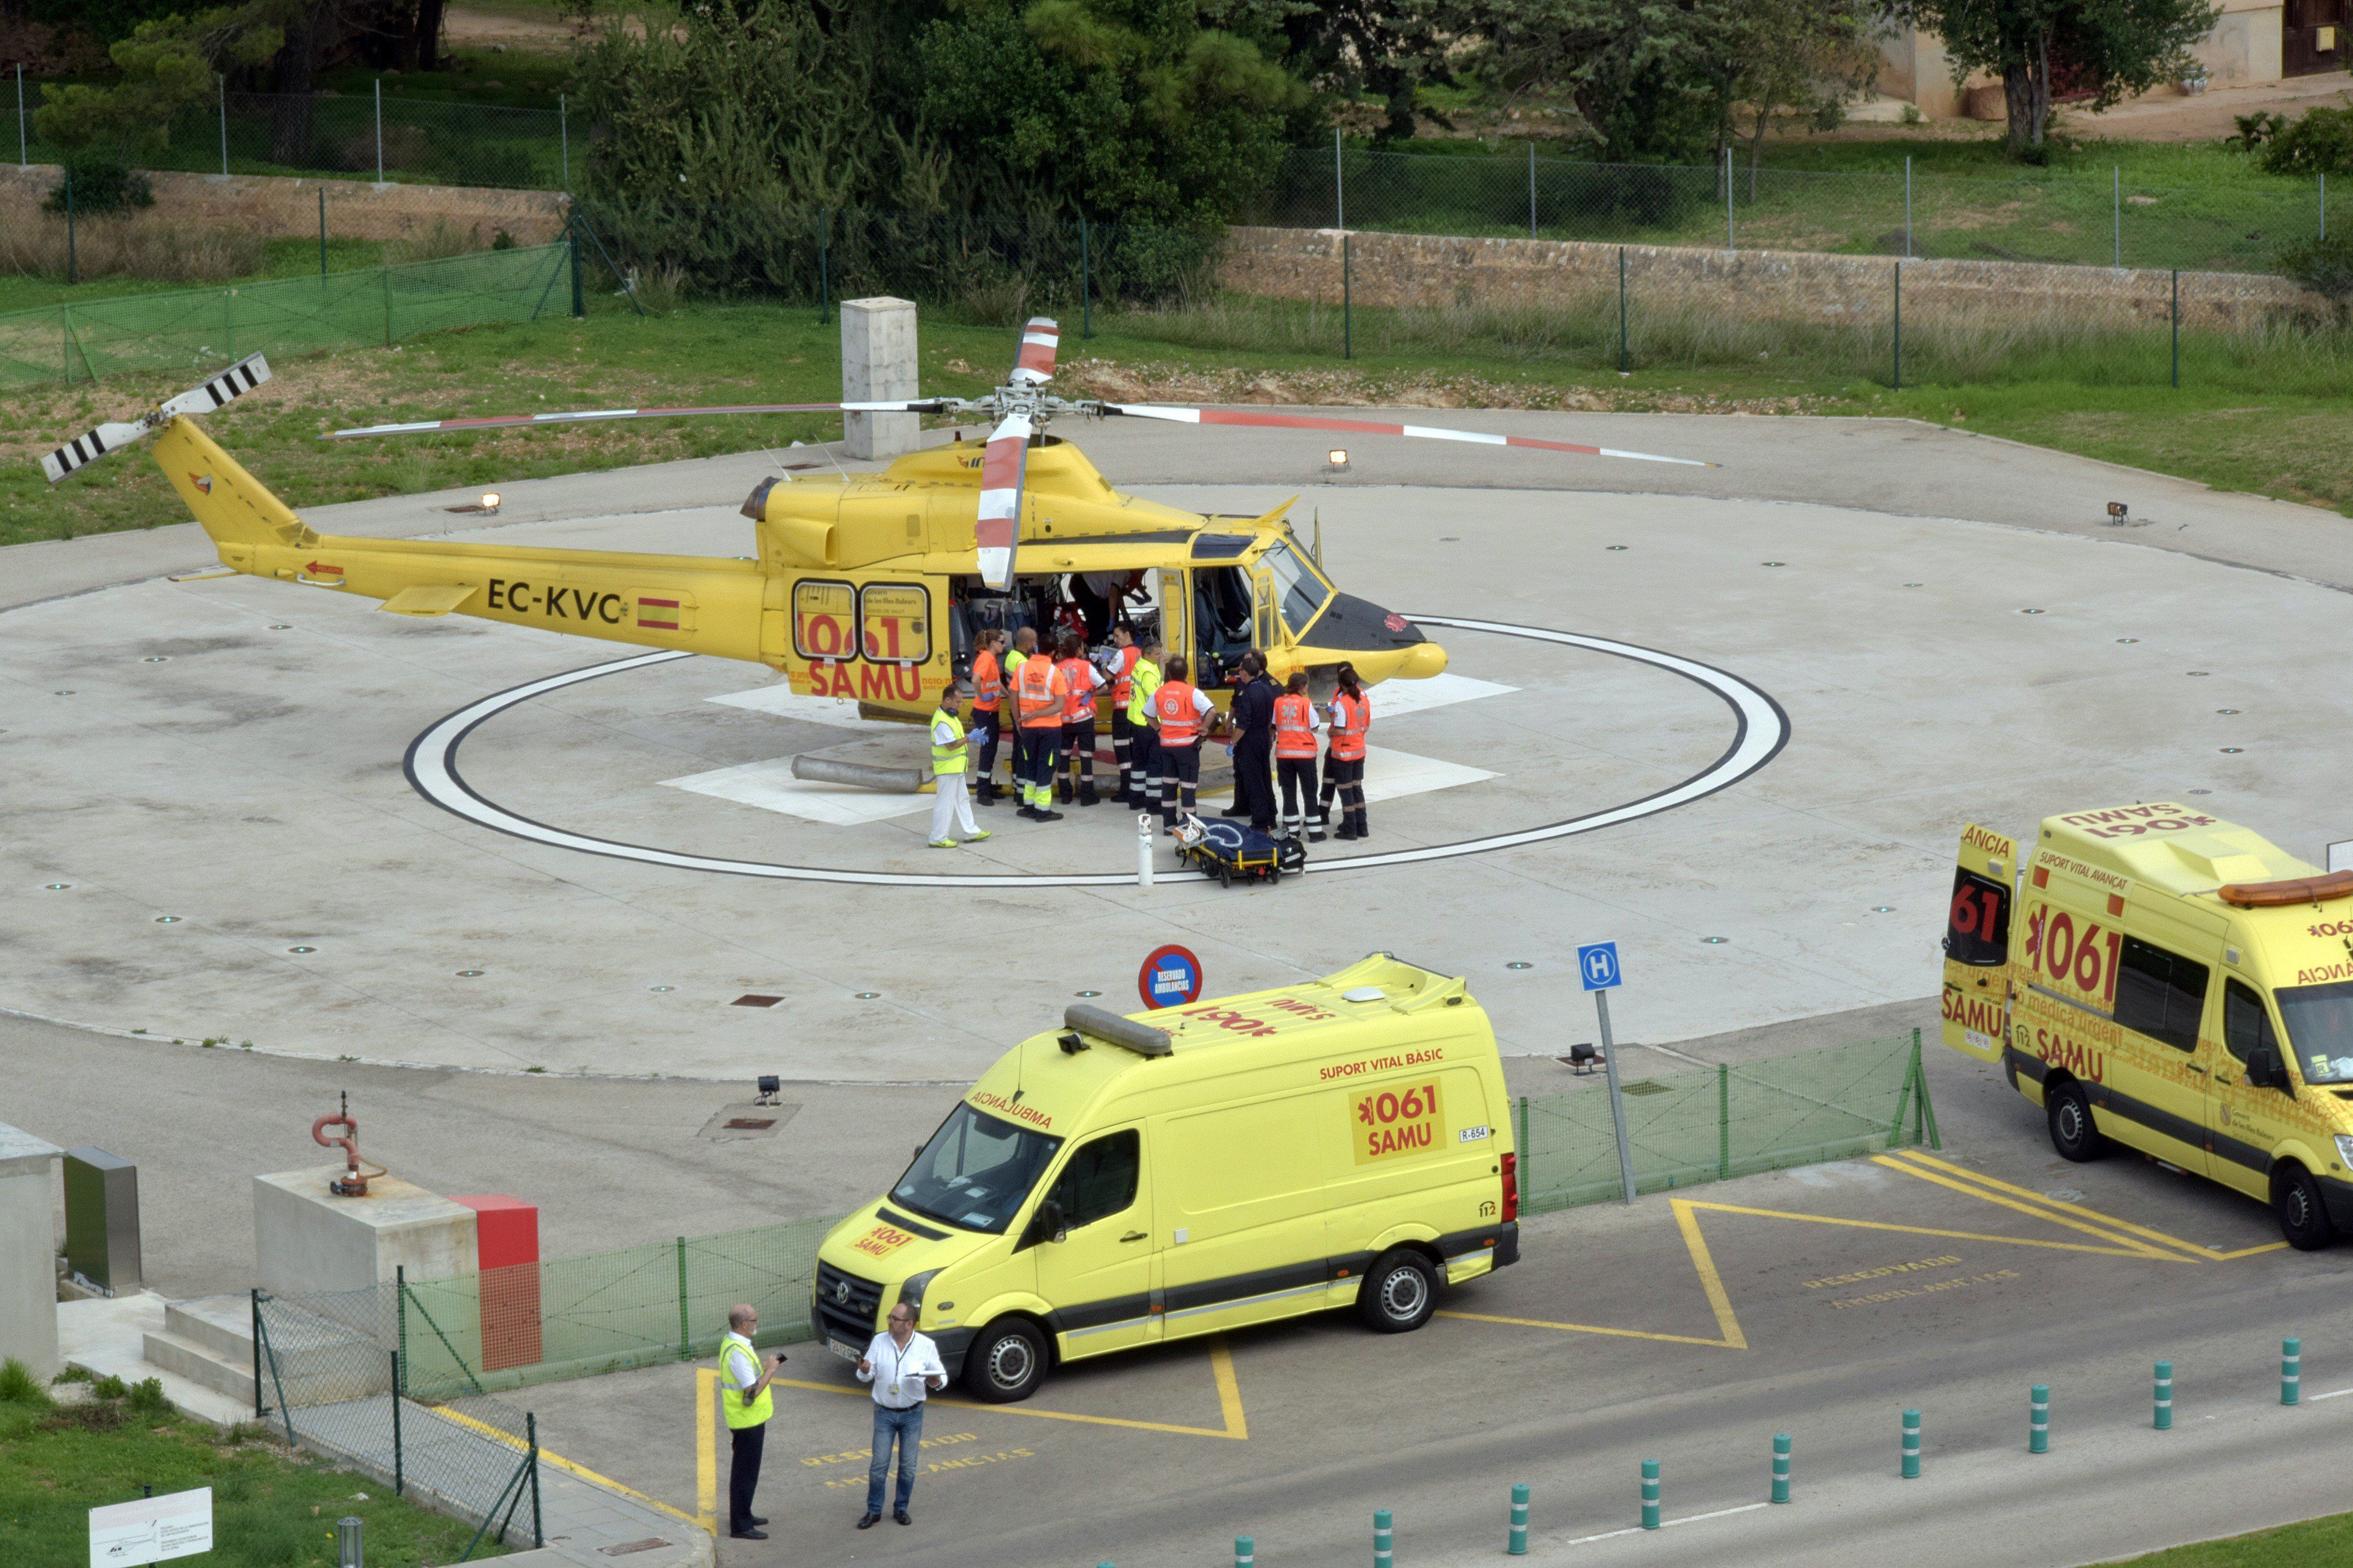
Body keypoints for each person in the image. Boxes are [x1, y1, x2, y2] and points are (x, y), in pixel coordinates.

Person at [855, 1302, 948, 1529]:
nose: (889, 1321)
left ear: (909, 1324)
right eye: (890, 1317)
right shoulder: (879, 1341)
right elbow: (865, 1375)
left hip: (912, 1414)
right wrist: (865, 1371)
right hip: (884, 1413)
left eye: (894, 1319)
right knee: (879, 1465)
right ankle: (874, 1510)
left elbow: (941, 1376)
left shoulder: (926, 1346)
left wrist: (936, 1382)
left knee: (907, 1465)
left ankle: (901, 1508)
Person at [717, 1304, 784, 1542]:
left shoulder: (736, 1344)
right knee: (745, 1474)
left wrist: (763, 1368)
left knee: (746, 1472)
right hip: (747, 1421)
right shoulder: (737, 1352)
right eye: (755, 1320)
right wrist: (772, 1371)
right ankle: (741, 1525)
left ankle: (744, 1513)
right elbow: (751, 1391)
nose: (757, 1323)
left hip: (749, 1420)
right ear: (744, 1324)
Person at [1152, 654, 1217, 833]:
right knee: (1188, 787)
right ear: (1187, 674)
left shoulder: (1160, 692)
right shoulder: (1193, 693)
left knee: (1169, 784)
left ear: (1170, 674)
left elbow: (1147, 714)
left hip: (1167, 746)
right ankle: (1189, 825)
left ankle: (1168, 824)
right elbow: (1212, 711)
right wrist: (1204, 728)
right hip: (1188, 747)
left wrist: (1159, 730)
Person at [1012, 631, 1067, 821]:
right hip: (1050, 728)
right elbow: (1060, 705)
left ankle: (1029, 806)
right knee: (1046, 766)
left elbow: (1013, 696)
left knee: (1030, 764)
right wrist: (1038, 714)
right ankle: (1043, 811)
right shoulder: (1055, 673)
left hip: (1027, 726)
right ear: (1053, 653)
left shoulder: (1021, 668)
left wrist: (1019, 719)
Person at [927, 685, 990, 849]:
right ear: (947, 700)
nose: (960, 705)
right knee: (945, 804)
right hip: (948, 769)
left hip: (956, 768)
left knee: (962, 800)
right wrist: (970, 737)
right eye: (957, 702)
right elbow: (951, 745)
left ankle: (971, 831)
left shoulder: (950, 717)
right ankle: (938, 837)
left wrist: (971, 737)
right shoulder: (941, 721)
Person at [1223, 651, 1276, 833]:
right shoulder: (1266, 688)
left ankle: (1260, 822)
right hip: (1263, 738)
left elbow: (1243, 724)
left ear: (1245, 674)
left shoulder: (1247, 694)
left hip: (1250, 742)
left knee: (1254, 782)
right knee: (1264, 778)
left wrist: (1233, 743)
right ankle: (1271, 815)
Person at [1320, 662, 1372, 841]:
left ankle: (1349, 829)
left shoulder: (1343, 703)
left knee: (1345, 791)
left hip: (1343, 753)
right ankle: (1361, 826)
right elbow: (1365, 724)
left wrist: (1330, 731)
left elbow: (1341, 729)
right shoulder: (1364, 699)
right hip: (1359, 751)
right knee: (1357, 788)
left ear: (1341, 684)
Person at [1272, 669, 1323, 841]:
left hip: (1284, 755)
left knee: (1289, 793)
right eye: (1307, 685)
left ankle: (1292, 832)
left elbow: (1274, 724)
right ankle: (1315, 832)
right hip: (1305, 755)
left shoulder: (1279, 703)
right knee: (1310, 792)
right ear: (1302, 687)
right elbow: (1315, 726)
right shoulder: (1306, 704)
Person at [1054, 631, 1102, 807]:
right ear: (1079, 649)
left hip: (1063, 719)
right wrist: (1091, 693)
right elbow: (1102, 685)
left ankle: (1065, 794)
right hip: (1083, 717)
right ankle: (1087, 796)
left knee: (1064, 757)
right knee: (1086, 756)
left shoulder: (1057, 668)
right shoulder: (1086, 667)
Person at [1100, 623, 1143, 809]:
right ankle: (1138, 789)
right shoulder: (1141, 654)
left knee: (1123, 751)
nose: (1116, 640)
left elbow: (1108, 677)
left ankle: (1126, 790)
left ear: (1127, 634)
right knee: (1136, 750)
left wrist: (1103, 663)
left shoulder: (1122, 654)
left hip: (1122, 710)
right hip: (1138, 710)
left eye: (1118, 636)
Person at [967, 629, 1006, 807]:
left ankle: (987, 786)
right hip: (985, 712)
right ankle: (982, 792)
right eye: (1001, 641)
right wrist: (981, 696)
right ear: (992, 643)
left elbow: (996, 684)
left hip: (991, 711)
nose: (1003, 645)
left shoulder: (991, 659)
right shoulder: (985, 659)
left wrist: (1011, 694)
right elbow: (976, 680)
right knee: (988, 751)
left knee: (991, 750)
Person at [1001, 627, 1039, 808]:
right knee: (1024, 753)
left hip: (1017, 710)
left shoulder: (1012, 657)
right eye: (1035, 642)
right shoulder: (1021, 663)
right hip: (1023, 712)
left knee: (1018, 751)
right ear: (1029, 643)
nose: (1036, 645)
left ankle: (1018, 787)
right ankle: (1022, 793)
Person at [1125, 639, 1163, 811]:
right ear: (1147, 654)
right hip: (1149, 724)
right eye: (1157, 653)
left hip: (1137, 721)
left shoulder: (1141, 665)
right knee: (1155, 764)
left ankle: (1136, 800)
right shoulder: (1148, 672)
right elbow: (1157, 698)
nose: (1161, 656)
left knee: (1139, 763)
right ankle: (1154, 804)